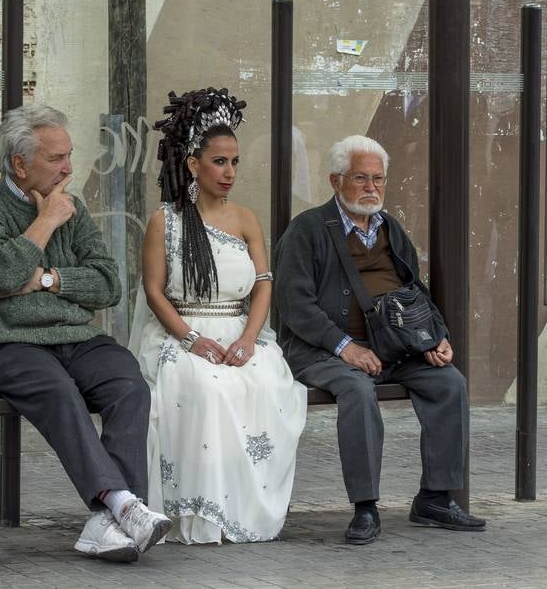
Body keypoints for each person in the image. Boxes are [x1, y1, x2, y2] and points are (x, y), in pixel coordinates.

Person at [0, 104, 171, 563]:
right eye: (56, 159)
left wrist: (48, 279)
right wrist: (46, 220)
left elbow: (108, 283)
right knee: (59, 391)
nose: (68, 167)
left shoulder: (74, 206)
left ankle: (108, 523)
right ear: (19, 163)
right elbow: (1, 275)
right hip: (4, 344)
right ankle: (124, 503)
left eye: (69, 155)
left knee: (128, 383)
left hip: (75, 338)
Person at [274, 134, 486, 545]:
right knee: (357, 389)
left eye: (378, 179)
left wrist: (437, 336)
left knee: (449, 383)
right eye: (360, 178)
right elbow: (293, 304)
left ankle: (435, 498)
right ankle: (366, 506)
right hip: (325, 349)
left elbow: (415, 290)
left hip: (392, 346)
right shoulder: (308, 229)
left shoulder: (390, 227)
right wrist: (347, 348)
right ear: (336, 181)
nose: (371, 187)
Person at [129, 88, 307, 544]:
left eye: (234, 162)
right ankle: (198, 512)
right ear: (193, 164)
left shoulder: (246, 218)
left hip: (239, 330)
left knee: (266, 383)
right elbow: (153, 291)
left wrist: (249, 338)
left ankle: (242, 507)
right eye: (219, 162)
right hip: (182, 332)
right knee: (206, 387)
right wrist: (191, 340)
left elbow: (263, 282)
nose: (229, 172)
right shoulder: (165, 220)